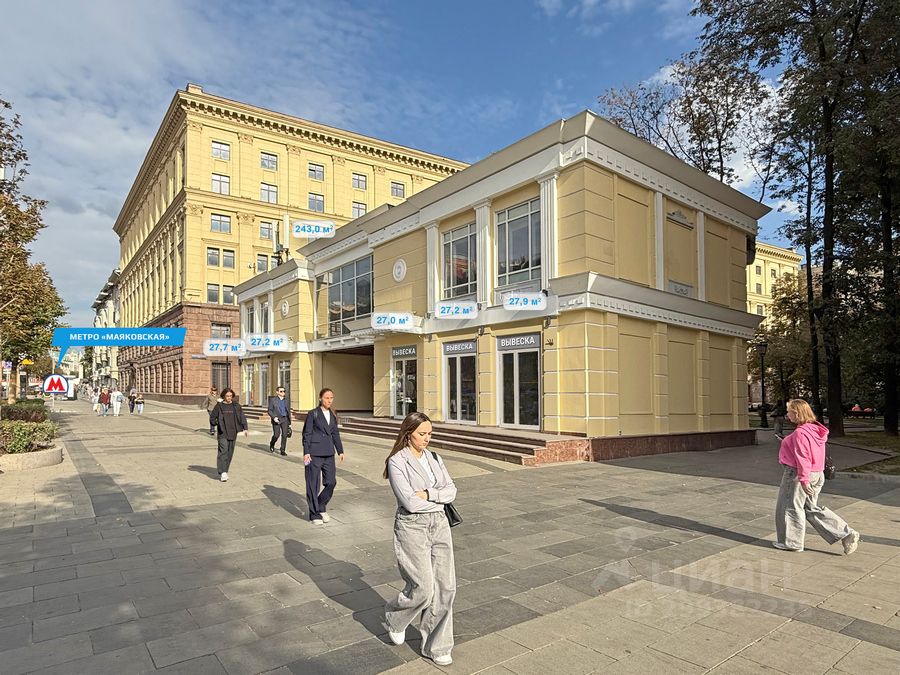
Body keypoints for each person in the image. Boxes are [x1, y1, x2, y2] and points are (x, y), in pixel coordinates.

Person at [383, 412, 457, 667]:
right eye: (421, 434)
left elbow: (452, 490)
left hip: (440, 525)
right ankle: (396, 617)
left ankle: (438, 646)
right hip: (412, 526)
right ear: (408, 434)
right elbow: (410, 503)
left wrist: (429, 494)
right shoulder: (397, 462)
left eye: (430, 434)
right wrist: (438, 498)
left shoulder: (435, 457)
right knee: (423, 587)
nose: (427, 439)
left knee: (446, 587)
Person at [774, 399, 860, 554]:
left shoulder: (800, 433)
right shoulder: (814, 430)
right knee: (811, 508)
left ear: (797, 413)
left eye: (789, 411)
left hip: (798, 474)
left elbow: (803, 457)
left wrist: (803, 480)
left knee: (789, 506)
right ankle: (846, 534)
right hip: (816, 473)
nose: (787, 414)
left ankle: (792, 543)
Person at [301, 388, 344, 524]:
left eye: (331, 398)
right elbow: (307, 433)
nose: (329, 400)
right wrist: (306, 452)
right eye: (326, 398)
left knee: (331, 482)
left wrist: (340, 450)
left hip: (329, 452)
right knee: (313, 484)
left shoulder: (332, 414)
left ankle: (320, 505)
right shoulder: (313, 413)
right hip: (314, 453)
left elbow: (335, 433)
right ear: (320, 398)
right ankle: (314, 514)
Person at [209, 387, 248, 482]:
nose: (229, 398)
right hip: (222, 432)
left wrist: (245, 428)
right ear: (223, 396)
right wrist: (216, 423)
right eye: (227, 396)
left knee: (230, 452)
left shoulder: (236, 406)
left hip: (233, 432)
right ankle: (222, 472)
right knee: (223, 451)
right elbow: (212, 417)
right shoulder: (219, 406)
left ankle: (225, 470)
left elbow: (242, 416)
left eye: (230, 396)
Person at [267, 386, 292, 455]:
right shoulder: (273, 400)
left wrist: (289, 422)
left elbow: (288, 411)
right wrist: (274, 417)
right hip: (277, 419)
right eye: (281, 391)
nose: (283, 393)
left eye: (284, 391)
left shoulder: (286, 400)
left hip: (285, 419)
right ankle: (272, 443)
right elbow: (269, 410)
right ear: (277, 392)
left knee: (284, 435)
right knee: (276, 435)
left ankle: (282, 450)